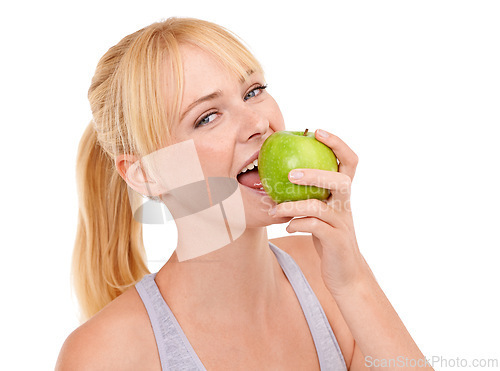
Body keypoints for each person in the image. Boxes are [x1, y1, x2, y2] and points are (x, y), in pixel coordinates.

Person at [56, 17, 433, 370]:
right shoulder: (105, 354)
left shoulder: (325, 274)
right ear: (146, 174)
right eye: (207, 117)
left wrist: (354, 282)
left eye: (253, 91)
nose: (259, 122)